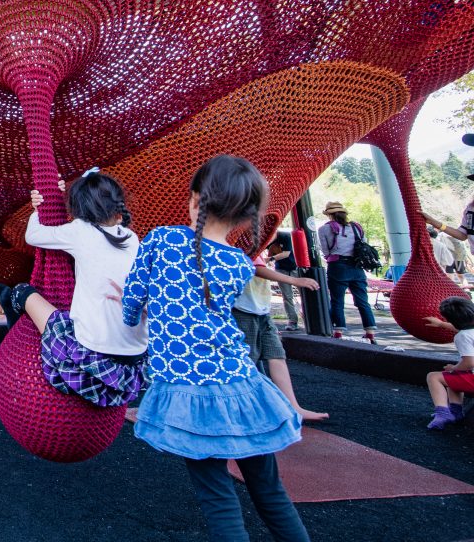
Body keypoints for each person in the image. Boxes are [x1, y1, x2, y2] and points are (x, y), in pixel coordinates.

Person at [122, 155, 308, 542]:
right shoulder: (239, 262)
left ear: (195, 200)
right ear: (246, 214)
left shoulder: (161, 239)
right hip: (242, 383)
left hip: (191, 390)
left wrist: (129, 307)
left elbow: (130, 308)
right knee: (270, 490)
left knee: (218, 496)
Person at [0, 168, 147, 408]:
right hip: (134, 363)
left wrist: (38, 210)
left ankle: (15, 312)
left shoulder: (80, 231)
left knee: (21, 292)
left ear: (79, 211)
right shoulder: (131, 237)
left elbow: (33, 236)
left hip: (89, 357)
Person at [238, 254, 329, 421]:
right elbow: (256, 269)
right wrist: (295, 281)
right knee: (248, 360)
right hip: (243, 309)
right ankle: (245, 408)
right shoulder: (242, 239)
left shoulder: (258, 243)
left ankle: (293, 407)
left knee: (276, 355)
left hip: (261, 309)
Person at [317, 201, 377, 343]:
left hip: (338, 266)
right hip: (357, 266)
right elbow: (363, 244)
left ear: (329, 215)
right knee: (363, 301)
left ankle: (338, 332)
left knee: (337, 300)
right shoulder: (356, 227)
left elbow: (325, 250)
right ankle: (370, 333)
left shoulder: (324, 229)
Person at [421, 296, 474, 429]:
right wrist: (441, 324)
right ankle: (455, 412)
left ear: (450, 319)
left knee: (434, 377)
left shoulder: (462, 337)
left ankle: (443, 413)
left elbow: (469, 363)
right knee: (452, 377)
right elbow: (465, 328)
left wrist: (454, 367)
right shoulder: (468, 331)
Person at [265, 231, 301, 332]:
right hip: (281, 269)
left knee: (304, 294)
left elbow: (286, 254)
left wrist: (268, 259)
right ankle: (292, 321)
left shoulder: (285, 236)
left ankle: (309, 317)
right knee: (287, 296)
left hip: (295, 267)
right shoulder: (266, 239)